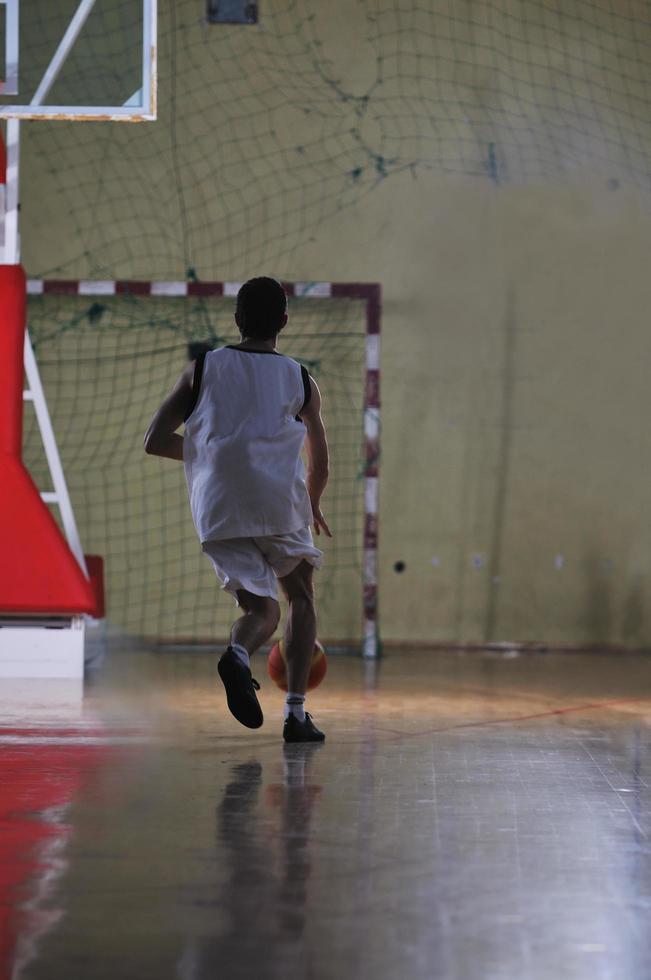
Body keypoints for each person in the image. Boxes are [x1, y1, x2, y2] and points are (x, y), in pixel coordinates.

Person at [143, 277, 331, 742]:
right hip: (277, 502)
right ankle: (296, 714)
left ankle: (240, 655)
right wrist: (315, 501)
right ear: (283, 322)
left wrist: (212, 456)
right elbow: (319, 457)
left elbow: (154, 440)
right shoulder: (301, 378)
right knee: (300, 597)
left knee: (260, 609)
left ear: (237, 321)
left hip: (217, 505)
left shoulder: (201, 368)